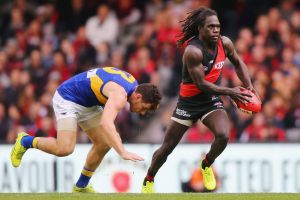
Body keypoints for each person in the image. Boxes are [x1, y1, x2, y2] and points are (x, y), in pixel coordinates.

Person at [142, 7, 257, 193]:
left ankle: (206, 165)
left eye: (218, 26)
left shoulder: (225, 43)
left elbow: (238, 62)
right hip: (188, 104)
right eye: (211, 26)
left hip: (210, 101)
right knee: (167, 148)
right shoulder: (192, 51)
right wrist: (231, 91)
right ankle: (149, 178)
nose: (216, 30)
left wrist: (249, 87)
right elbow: (201, 84)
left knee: (223, 135)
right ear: (200, 29)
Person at [10, 66, 161, 193]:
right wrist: (122, 151)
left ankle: (81, 185)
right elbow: (106, 123)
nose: (142, 112)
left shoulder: (132, 84)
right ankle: (25, 141)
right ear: (139, 97)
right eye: (145, 108)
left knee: (104, 142)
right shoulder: (120, 95)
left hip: (89, 103)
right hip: (68, 98)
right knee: (65, 148)